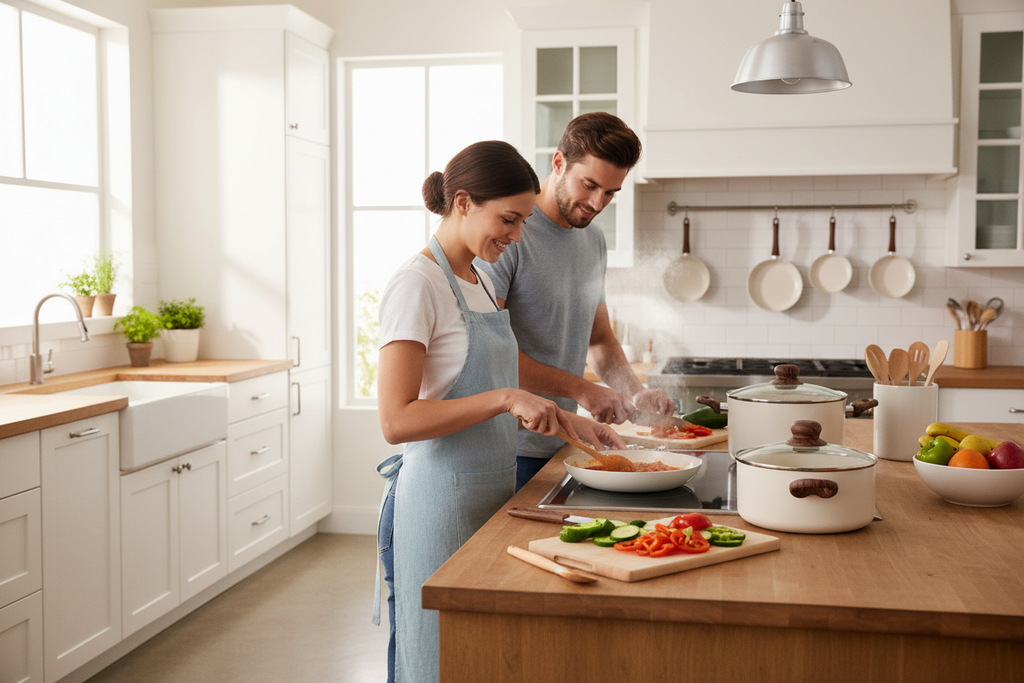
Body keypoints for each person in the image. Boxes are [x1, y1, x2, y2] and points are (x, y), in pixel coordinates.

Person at [372, 140, 623, 683]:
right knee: (429, 661)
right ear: (463, 202)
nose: (516, 236)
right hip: (434, 505)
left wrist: (575, 422)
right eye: (509, 220)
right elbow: (396, 421)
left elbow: (496, 382)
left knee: (475, 660)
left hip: (486, 499)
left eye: (524, 222)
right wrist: (506, 398)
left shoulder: (480, 281)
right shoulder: (417, 284)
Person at [475, 112, 676, 491]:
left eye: (611, 192)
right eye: (589, 185)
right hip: (506, 449)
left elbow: (598, 339)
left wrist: (635, 392)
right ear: (558, 163)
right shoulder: (509, 235)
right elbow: (490, 353)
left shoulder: (593, 240)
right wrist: (582, 389)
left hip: (563, 443)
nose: (598, 202)